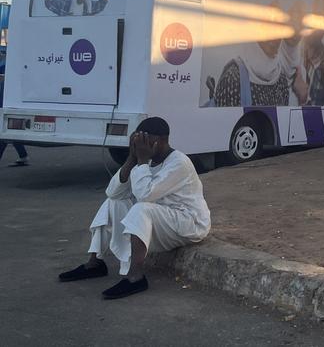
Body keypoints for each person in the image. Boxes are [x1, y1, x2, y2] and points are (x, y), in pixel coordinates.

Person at [57, 117, 211, 299]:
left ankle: (135, 277)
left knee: (141, 209)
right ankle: (95, 263)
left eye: (146, 141)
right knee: (113, 202)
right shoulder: (146, 161)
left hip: (188, 222)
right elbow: (113, 192)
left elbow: (145, 195)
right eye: (138, 142)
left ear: (161, 141)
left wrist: (143, 161)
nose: (141, 146)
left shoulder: (179, 163)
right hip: (164, 217)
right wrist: (131, 159)